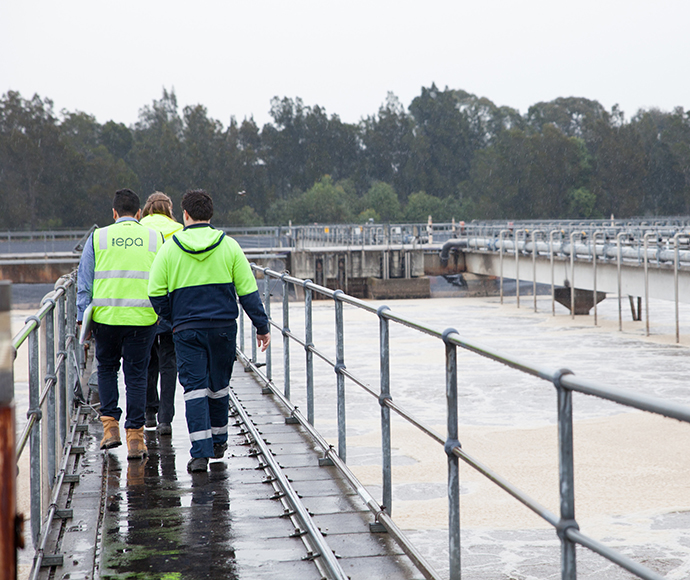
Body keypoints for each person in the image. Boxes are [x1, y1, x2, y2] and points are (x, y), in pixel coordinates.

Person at [148, 189, 270, 473]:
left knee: (194, 389)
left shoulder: (170, 248)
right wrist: (261, 327)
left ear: (186, 215)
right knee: (218, 385)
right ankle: (219, 442)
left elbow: (154, 292)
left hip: (187, 329)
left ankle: (200, 454)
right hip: (223, 328)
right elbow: (249, 292)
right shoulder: (229, 246)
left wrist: (173, 316)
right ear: (210, 215)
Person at [77, 188, 162, 460]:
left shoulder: (98, 237)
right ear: (139, 214)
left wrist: (83, 319)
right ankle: (136, 439)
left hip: (106, 318)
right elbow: (164, 277)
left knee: (107, 369)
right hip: (143, 318)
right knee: (136, 376)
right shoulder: (154, 237)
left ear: (113, 213)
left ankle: (110, 428)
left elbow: (84, 282)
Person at [139, 192, 183, 436]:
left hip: (142, 304)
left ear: (146, 209)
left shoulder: (139, 229)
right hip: (170, 304)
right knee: (169, 362)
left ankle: (149, 412)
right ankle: (166, 417)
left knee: (147, 360)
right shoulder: (178, 230)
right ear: (169, 208)